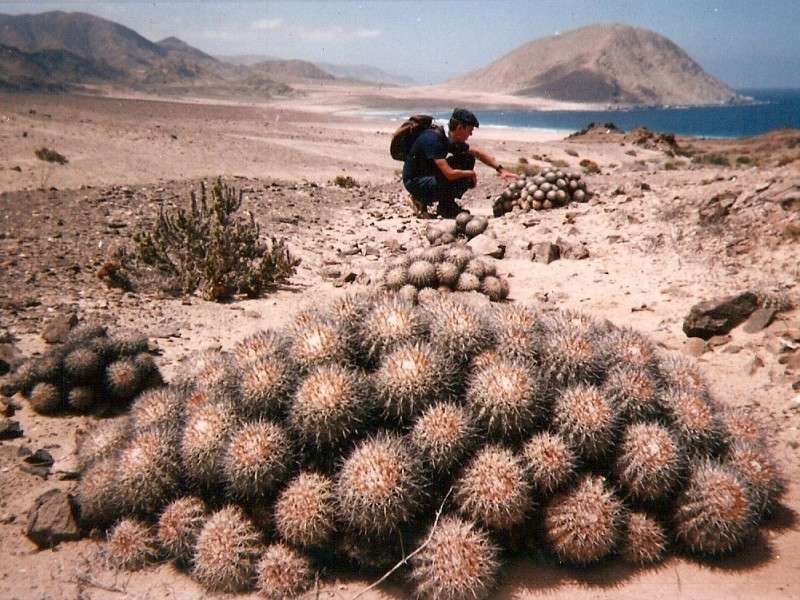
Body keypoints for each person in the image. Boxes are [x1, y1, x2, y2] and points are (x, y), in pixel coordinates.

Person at [402, 108, 518, 218]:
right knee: (461, 177)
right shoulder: (434, 139)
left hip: (427, 174)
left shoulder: (450, 137)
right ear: (460, 127)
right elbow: (449, 174)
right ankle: (421, 199)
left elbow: (477, 152)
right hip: (414, 182)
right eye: (470, 130)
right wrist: (470, 174)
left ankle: (446, 206)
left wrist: (501, 170)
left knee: (467, 158)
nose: (470, 135)